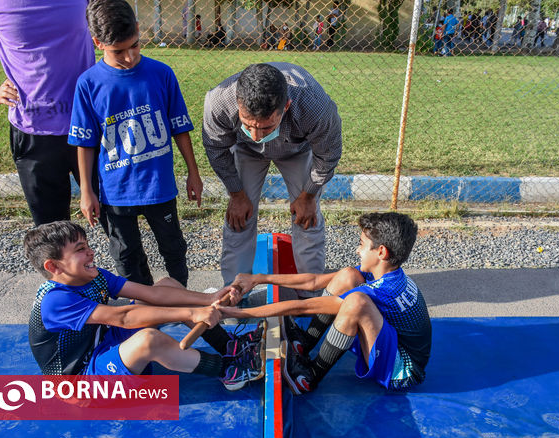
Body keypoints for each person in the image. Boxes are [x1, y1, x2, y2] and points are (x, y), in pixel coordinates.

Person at [24, 220, 264, 390]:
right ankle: (229, 370)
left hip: (103, 346)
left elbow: (152, 294)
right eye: (80, 250)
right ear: (53, 267)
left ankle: (229, 345)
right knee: (148, 339)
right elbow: (124, 317)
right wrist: (193, 312)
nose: (91, 252)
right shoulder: (55, 300)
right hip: (81, 384)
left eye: (87, 245)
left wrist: (208, 300)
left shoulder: (94, 276)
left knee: (167, 283)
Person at [219, 212, 432, 394]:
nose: (358, 251)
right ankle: (304, 343)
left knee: (355, 303)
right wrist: (257, 279)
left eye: (361, 245)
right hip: (396, 347)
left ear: (382, 252)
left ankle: (310, 376)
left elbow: (303, 307)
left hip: (404, 372)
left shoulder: (385, 289)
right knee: (347, 275)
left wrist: (239, 314)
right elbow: (313, 281)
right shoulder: (386, 272)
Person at [68, 0, 203, 288]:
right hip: (116, 192)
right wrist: (86, 191)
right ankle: (142, 304)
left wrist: (193, 172)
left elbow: (180, 128)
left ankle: (180, 296)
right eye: (118, 51)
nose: (129, 57)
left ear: (139, 31)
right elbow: (85, 143)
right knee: (126, 255)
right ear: (97, 42)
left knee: (174, 248)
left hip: (159, 186)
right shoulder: (88, 84)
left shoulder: (162, 74)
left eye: (135, 46)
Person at [202, 62, 342, 299]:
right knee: (239, 217)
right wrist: (236, 194)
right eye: (248, 124)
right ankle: (234, 293)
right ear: (238, 104)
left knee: (307, 218)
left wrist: (308, 195)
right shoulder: (218, 100)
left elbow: (328, 155)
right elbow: (216, 149)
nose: (256, 136)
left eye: (266, 127)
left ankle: (309, 294)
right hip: (244, 150)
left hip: (297, 148)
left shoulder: (314, 106)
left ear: (286, 106)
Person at [0, 0, 95, 226]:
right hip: (32, 131)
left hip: (89, 124)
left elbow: (112, 23)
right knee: (52, 234)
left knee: (118, 222)